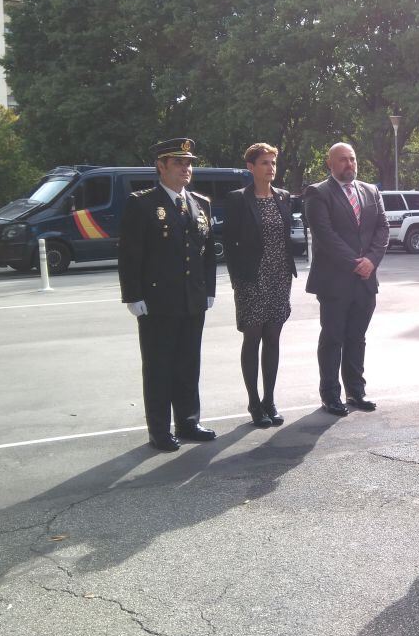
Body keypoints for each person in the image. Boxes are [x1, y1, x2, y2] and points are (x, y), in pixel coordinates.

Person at [118, 138, 218, 452]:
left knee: (189, 363)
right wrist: (133, 295)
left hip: (192, 298)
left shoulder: (201, 203)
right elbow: (130, 254)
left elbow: (208, 254)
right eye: (178, 162)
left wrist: (209, 290)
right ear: (161, 166)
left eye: (189, 163)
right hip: (158, 300)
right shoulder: (142, 203)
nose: (186, 168)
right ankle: (159, 429)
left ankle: (188, 421)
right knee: (159, 365)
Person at [303, 142, 388, 417]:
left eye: (352, 159)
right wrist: (356, 263)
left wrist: (372, 261)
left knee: (357, 337)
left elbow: (382, 228)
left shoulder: (371, 191)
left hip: (366, 280)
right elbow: (325, 235)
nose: (348, 164)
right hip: (335, 281)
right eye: (342, 160)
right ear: (330, 163)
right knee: (333, 338)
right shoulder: (318, 193)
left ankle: (356, 391)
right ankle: (330, 395)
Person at [224, 143, 299, 428]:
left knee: (273, 339)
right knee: (252, 338)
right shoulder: (238, 199)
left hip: (279, 277)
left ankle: (270, 400)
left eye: (273, 163)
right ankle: (254, 403)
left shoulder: (282, 196)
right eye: (265, 163)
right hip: (252, 280)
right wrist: (238, 281)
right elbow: (229, 244)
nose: (271, 168)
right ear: (251, 167)